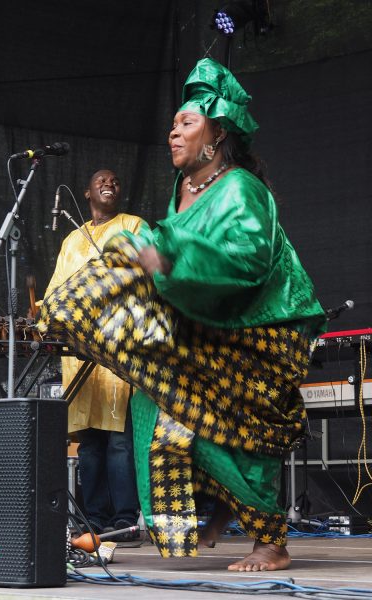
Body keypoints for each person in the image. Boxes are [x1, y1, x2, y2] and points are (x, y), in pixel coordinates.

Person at [38, 59, 326, 570]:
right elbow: (170, 252)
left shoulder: (240, 188)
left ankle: (270, 541)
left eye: (186, 124)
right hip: (211, 323)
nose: (173, 132)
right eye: (172, 124)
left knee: (234, 424)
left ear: (215, 135)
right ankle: (217, 505)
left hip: (262, 329)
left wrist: (167, 258)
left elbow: (246, 260)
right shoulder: (183, 191)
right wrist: (152, 259)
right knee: (168, 409)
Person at [43, 169, 144, 539]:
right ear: (86, 192)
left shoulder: (133, 225)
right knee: (89, 442)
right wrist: (42, 317)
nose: (110, 184)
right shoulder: (72, 239)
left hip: (117, 348)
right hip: (79, 352)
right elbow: (56, 289)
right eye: (102, 180)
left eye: (117, 181)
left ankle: (125, 521)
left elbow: (141, 275)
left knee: (119, 439)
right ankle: (96, 520)